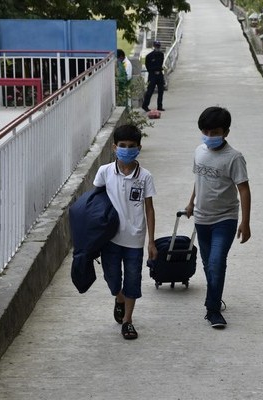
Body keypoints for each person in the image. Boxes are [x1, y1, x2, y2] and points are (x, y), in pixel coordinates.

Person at [185, 106, 251, 329]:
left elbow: (244, 190)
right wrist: (191, 202)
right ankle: (215, 297)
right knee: (208, 264)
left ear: (226, 132)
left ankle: (212, 309)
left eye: (215, 132)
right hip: (201, 219)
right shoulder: (199, 151)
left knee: (216, 262)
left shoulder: (234, 158)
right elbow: (198, 180)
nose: (209, 136)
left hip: (225, 219)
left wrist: (245, 222)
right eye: (205, 132)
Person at [93, 124, 157, 339]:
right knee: (112, 278)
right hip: (110, 238)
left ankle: (128, 321)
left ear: (139, 148)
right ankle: (119, 297)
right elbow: (94, 203)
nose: (127, 150)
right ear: (114, 147)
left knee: (133, 279)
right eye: (122, 145)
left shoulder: (145, 176)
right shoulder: (104, 172)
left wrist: (151, 241)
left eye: (131, 146)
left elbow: (149, 209)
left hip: (135, 240)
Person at [142, 41, 165, 112]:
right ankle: (145, 105)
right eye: (156, 46)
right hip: (152, 75)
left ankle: (159, 106)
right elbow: (147, 66)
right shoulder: (149, 56)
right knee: (150, 91)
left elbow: (160, 64)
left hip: (159, 74)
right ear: (154, 46)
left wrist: (158, 70)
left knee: (161, 91)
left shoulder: (161, 54)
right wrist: (153, 71)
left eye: (158, 46)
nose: (157, 48)